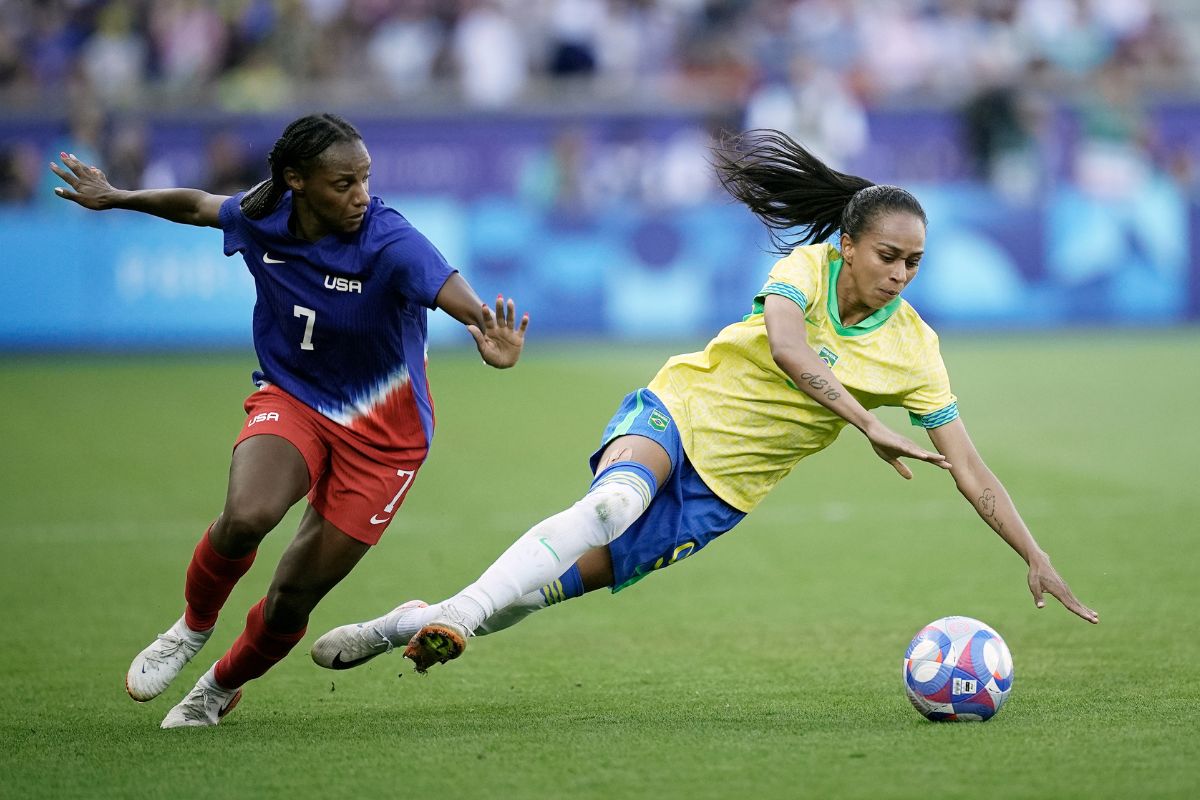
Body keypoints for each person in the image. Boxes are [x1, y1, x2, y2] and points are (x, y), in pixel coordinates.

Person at [311, 129, 1098, 678]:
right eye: (889, 255)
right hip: (680, 407)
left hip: (723, 494)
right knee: (613, 502)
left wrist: (1034, 553)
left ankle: (416, 619)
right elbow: (789, 350)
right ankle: (459, 615)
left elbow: (971, 468)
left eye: (915, 263)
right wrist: (864, 422)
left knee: (530, 601)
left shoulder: (915, 352)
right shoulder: (809, 265)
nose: (899, 273)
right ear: (851, 245)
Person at [48, 113, 529, 727]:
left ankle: (219, 687)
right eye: (343, 183)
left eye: (365, 179)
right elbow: (197, 205)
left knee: (291, 599)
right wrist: (116, 197)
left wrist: (483, 326)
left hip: (384, 441)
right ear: (295, 180)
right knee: (247, 515)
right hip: (296, 397)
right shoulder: (261, 214)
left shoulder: (388, 240)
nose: (361, 196)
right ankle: (192, 628)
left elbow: (448, 287)